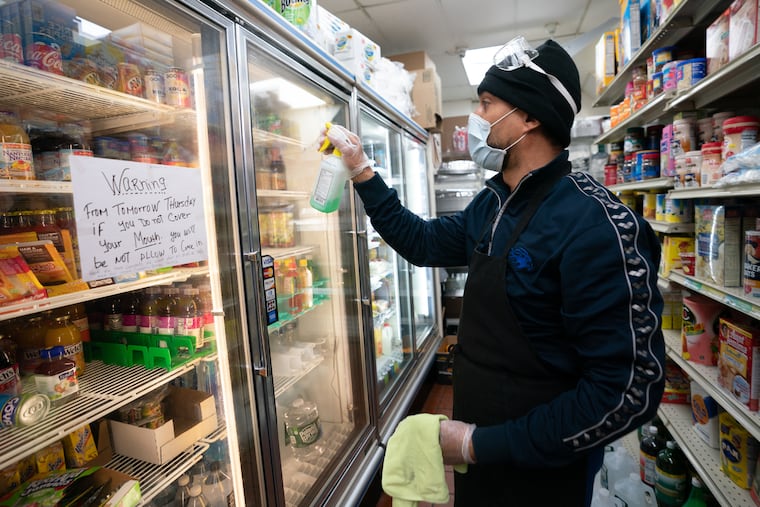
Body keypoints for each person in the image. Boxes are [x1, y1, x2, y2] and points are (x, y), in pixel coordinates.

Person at [320, 37, 665, 506]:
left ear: (530, 116)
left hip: (543, 469)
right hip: (478, 454)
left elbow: (627, 389)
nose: (473, 118)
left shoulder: (596, 224)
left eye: (486, 103)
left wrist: (476, 443)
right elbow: (422, 243)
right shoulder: (492, 202)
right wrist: (362, 170)